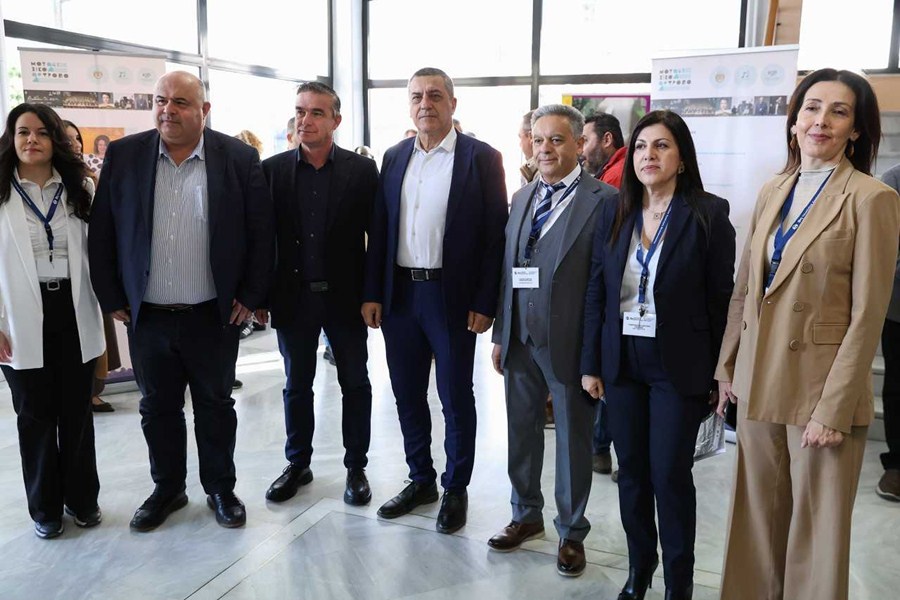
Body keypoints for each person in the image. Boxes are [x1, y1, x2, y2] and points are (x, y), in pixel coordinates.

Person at [715, 69, 900, 600]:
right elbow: (745, 287)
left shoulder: (871, 198)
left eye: (839, 112)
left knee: (816, 535)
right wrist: (728, 367)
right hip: (759, 377)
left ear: (856, 129)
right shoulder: (774, 188)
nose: (821, 120)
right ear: (794, 120)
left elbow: (868, 315)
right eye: (812, 108)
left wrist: (833, 408)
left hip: (821, 389)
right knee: (756, 521)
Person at [89, 71, 275, 532]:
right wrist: (111, 294)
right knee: (157, 409)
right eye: (160, 100)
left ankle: (220, 488)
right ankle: (168, 488)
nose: (167, 110)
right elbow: (104, 230)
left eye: (180, 102)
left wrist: (251, 295)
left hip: (212, 315)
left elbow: (261, 233)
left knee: (215, 406)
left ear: (204, 110)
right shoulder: (126, 155)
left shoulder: (237, 158)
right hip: (148, 317)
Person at [581, 109, 736, 600]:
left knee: (669, 475)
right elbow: (597, 290)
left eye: (662, 145)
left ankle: (679, 583)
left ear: (682, 158)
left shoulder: (709, 213)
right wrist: (591, 363)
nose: (649, 155)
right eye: (642, 146)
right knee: (631, 474)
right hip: (622, 360)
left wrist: (719, 372)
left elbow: (721, 300)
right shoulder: (615, 210)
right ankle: (639, 568)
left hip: (679, 364)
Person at [362, 67, 508, 534]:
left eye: (435, 95)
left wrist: (485, 301)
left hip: (452, 297)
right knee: (406, 392)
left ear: (452, 104)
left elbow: (495, 237)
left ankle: (455, 487)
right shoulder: (394, 156)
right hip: (400, 295)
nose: (425, 103)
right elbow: (380, 229)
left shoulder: (482, 158)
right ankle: (421, 479)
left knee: (454, 395)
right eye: (416, 96)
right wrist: (372, 292)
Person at [488, 104, 617, 577]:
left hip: (571, 343)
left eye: (557, 140)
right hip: (520, 336)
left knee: (573, 439)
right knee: (521, 431)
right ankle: (525, 515)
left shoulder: (605, 200)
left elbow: (607, 284)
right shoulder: (522, 196)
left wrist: (596, 355)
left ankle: (571, 531)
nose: (545, 148)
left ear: (579, 145)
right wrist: (501, 333)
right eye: (538, 139)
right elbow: (508, 270)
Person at [259, 82, 378, 507]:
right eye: (300, 111)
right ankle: (298, 463)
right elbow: (262, 239)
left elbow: (377, 237)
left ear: (336, 120)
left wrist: (373, 294)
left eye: (316, 113)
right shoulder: (271, 171)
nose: (305, 120)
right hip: (293, 298)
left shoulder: (362, 171)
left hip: (345, 298)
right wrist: (259, 296)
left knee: (355, 383)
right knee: (297, 385)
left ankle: (356, 466)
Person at [0, 103, 105, 538]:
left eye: (42, 132)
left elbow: (99, 250)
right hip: (18, 315)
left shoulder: (80, 187)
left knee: (76, 412)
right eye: (23, 132)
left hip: (72, 309)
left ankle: (82, 499)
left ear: (55, 139)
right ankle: (45, 509)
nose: (32, 140)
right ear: (11, 138)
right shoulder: (1, 190)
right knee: (34, 415)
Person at [63, 120, 120, 413]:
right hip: (58, 279)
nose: (74, 144)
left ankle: (93, 391)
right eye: (67, 138)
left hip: (89, 270)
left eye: (77, 139)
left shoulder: (88, 179)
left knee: (95, 335)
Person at [878, 163, 900, 502]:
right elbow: (884, 250)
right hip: (899, 309)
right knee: (897, 386)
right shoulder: (894, 180)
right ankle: (897, 464)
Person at [582, 113, 626, 189]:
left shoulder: (614, 177)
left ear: (607, 140)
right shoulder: (623, 166)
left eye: (585, 140)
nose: (580, 150)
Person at [518, 110, 538, 186]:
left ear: (530, 137)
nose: (520, 144)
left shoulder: (544, 175)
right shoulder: (530, 171)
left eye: (520, 137)